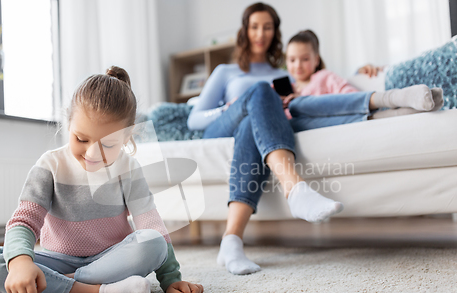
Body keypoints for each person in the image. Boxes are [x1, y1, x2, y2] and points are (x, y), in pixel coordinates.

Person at [187, 2, 443, 276]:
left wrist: (362, 70)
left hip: (254, 126)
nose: (260, 33)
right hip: (223, 124)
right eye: (254, 27)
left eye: (267, 27)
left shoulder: (284, 75)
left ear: (275, 32)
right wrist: (231, 107)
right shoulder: (226, 71)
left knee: (273, 111)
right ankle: (296, 189)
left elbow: (320, 89)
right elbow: (194, 119)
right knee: (260, 93)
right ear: (245, 31)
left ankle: (232, 242)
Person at [0, 66, 203, 293]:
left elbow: (150, 224)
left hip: (112, 260)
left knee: (154, 242)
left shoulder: (129, 168)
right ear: (69, 124)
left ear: (127, 137)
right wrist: (20, 263)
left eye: (108, 144)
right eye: (81, 139)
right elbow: (24, 222)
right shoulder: (50, 165)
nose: (92, 153)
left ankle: (54, 290)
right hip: (57, 261)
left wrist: (171, 278)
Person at [284, 29, 443, 119]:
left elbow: (349, 94)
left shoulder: (324, 77)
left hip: (339, 110)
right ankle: (412, 109)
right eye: (292, 60)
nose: (298, 65)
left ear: (316, 60)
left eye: (304, 59)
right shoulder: (285, 91)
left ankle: (401, 98)